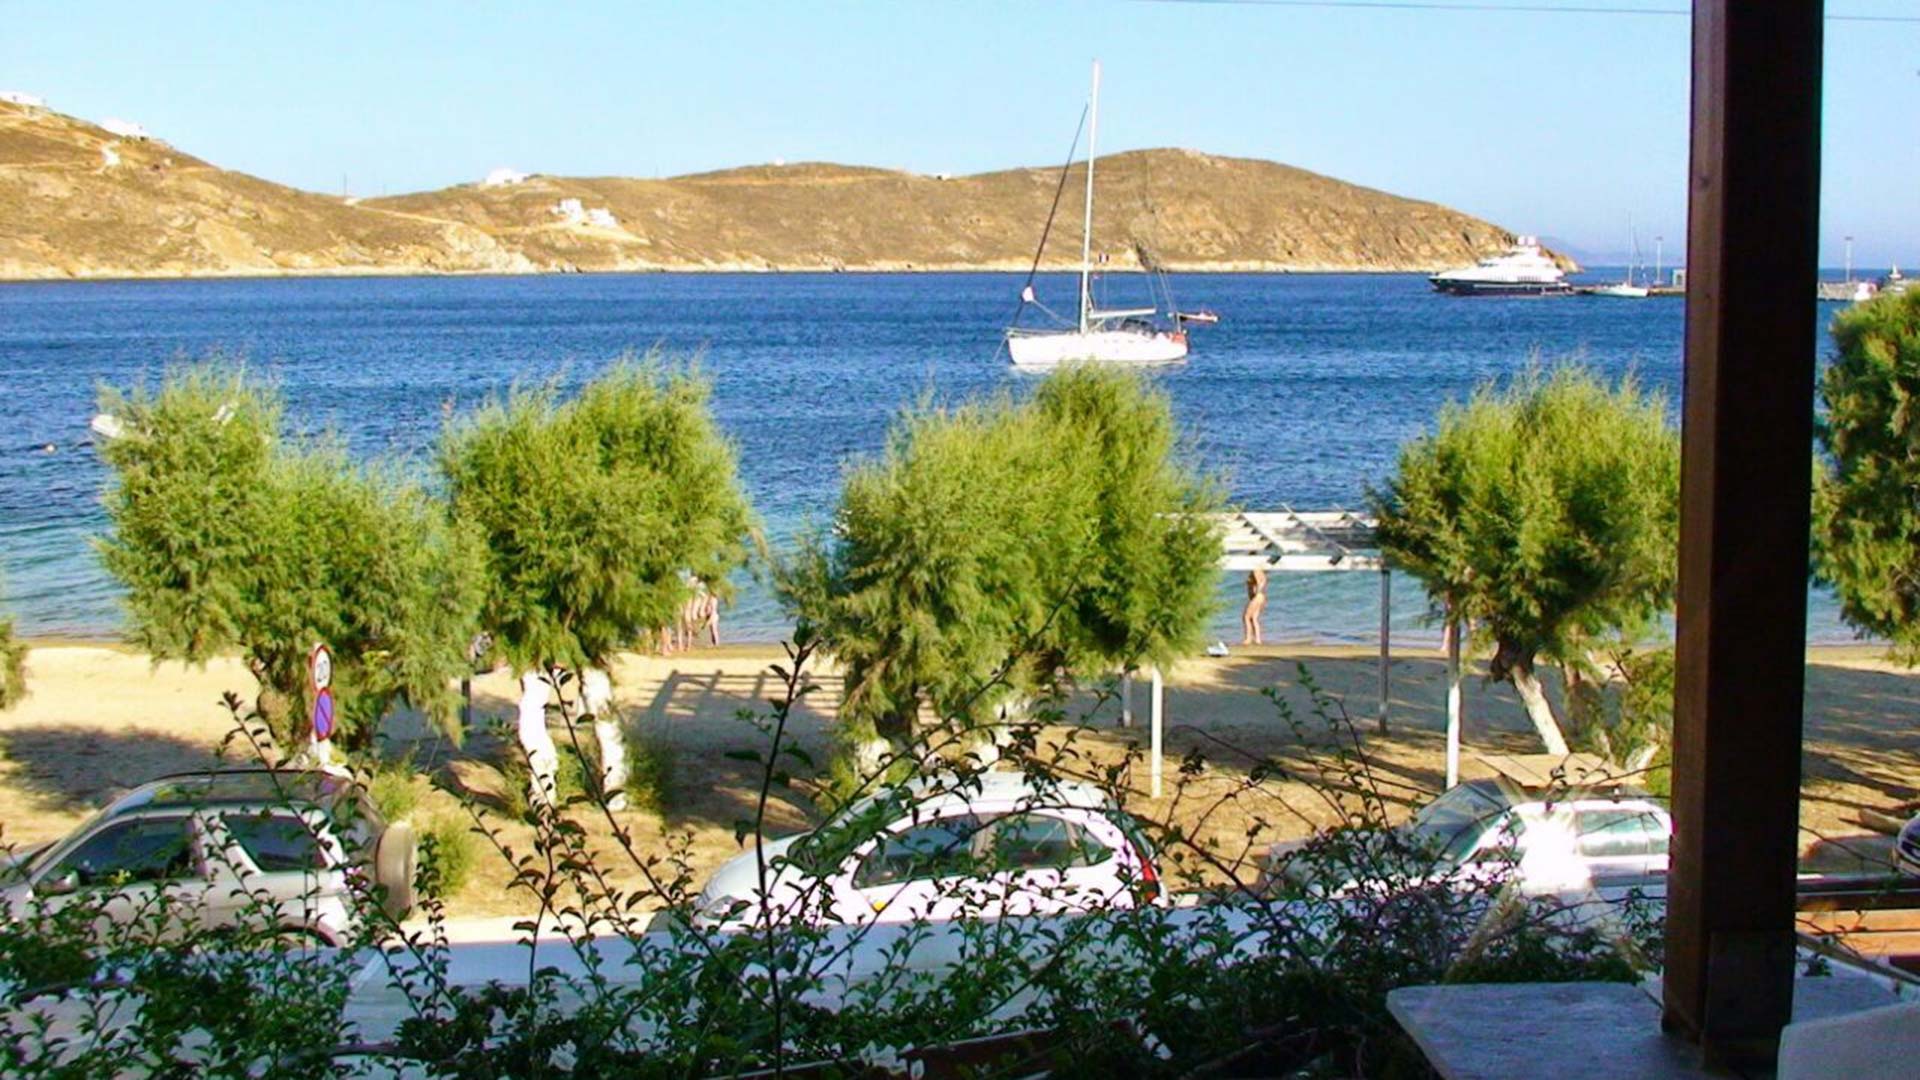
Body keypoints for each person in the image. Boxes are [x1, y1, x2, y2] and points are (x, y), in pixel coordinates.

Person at [1241, 568, 1268, 646]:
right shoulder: (1259, 571)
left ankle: (1248, 639)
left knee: (1246, 617)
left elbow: (1261, 582)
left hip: (1258, 597)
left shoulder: (1256, 569)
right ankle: (1258, 639)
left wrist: (1258, 590)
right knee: (1254, 618)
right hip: (1259, 597)